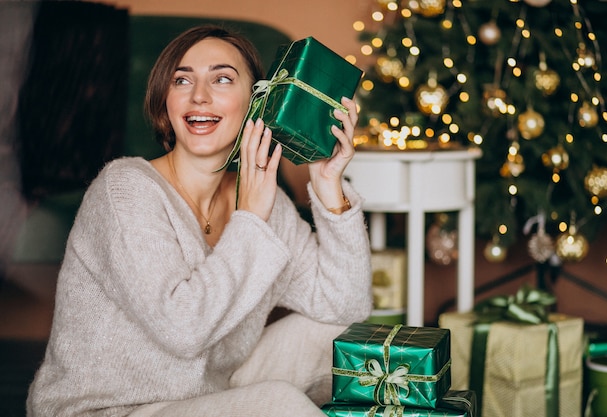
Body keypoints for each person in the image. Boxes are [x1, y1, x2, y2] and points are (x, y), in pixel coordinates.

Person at [26, 24, 372, 417]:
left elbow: (345, 306)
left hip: (202, 392)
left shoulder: (266, 202)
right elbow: (183, 330)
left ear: (259, 102)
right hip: (110, 408)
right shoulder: (124, 189)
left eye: (222, 78)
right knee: (279, 404)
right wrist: (250, 219)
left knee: (333, 337)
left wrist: (329, 185)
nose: (200, 96)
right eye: (181, 80)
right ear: (165, 103)